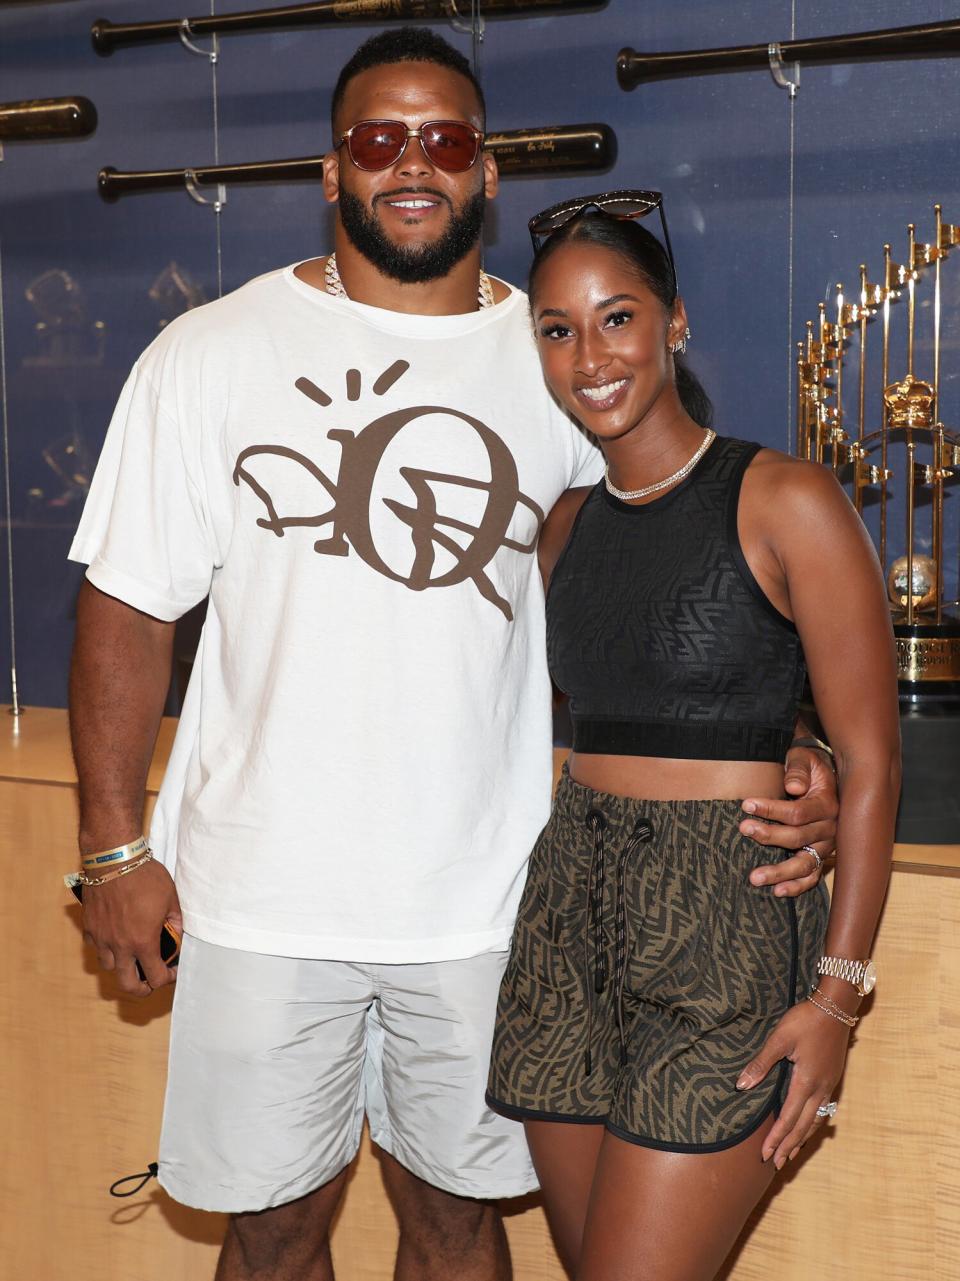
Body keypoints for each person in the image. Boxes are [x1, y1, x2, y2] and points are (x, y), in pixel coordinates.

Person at [67, 31, 838, 1281]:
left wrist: (794, 740)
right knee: (271, 1235)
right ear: (334, 171)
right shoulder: (208, 354)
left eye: (446, 140)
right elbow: (125, 609)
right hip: (259, 901)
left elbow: (687, 570)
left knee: (459, 1223)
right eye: (380, 139)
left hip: (491, 904)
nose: (412, 164)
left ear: (487, 171)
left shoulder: (559, 361)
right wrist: (112, 849)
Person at [486, 195, 901, 1281]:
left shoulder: (788, 499)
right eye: (558, 329)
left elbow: (870, 762)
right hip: (568, 920)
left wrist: (838, 1000)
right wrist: (789, 726)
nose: (590, 356)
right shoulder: (563, 528)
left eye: (617, 318)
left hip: (723, 934)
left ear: (675, 322)